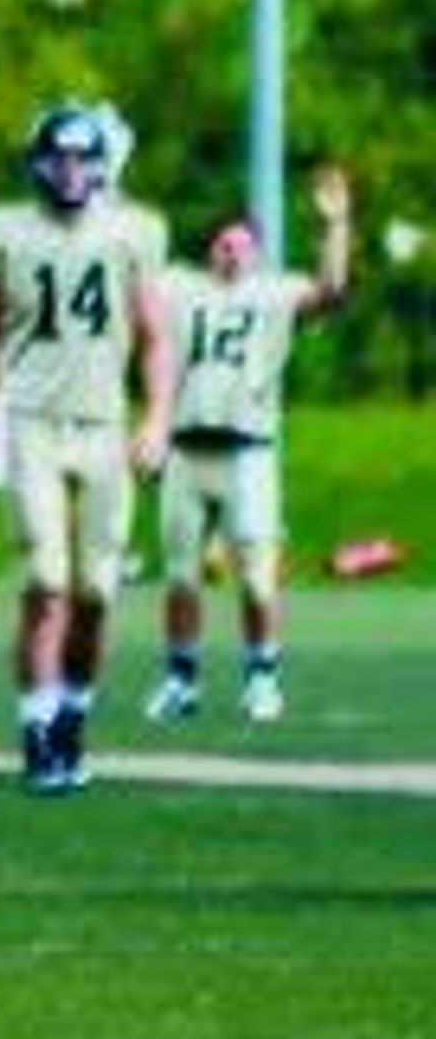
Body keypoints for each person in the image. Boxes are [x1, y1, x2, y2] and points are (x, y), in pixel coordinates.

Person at [0, 103, 172, 795]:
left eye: (83, 159)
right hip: (29, 424)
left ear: (102, 165)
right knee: (45, 583)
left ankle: (73, 715)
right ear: (37, 162)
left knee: (97, 592)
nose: (71, 171)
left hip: (103, 424)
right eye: (59, 158)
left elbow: (158, 336)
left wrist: (157, 417)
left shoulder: (133, 233)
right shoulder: (1, 233)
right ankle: (37, 727)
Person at [146, 167, 352, 725]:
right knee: (182, 575)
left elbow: (331, 291)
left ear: (258, 254)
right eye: (223, 244)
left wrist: (336, 226)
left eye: (241, 245)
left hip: (248, 453)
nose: (231, 254)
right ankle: (181, 679)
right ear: (210, 251)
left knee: (259, 578)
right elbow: (128, 277)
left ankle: (262, 678)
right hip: (186, 452)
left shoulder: (275, 293)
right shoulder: (180, 287)